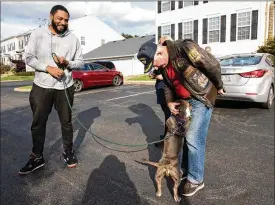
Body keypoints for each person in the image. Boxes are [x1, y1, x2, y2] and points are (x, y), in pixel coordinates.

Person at [137, 39, 225, 196]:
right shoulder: (163, 65)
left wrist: (219, 85)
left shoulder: (184, 49)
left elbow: (212, 65)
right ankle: (186, 168)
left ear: (159, 52)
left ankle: (196, 179)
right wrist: (170, 102)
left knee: (192, 137)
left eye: (154, 63)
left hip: (200, 97)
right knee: (187, 136)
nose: (155, 68)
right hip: (184, 102)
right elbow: (168, 86)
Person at [19, 5, 84, 175]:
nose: (63, 22)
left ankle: (68, 152)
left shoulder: (73, 39)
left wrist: (68, 63)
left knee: (67, 123)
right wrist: (47, 68)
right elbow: (29, 58)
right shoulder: (37, 34)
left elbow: (80, 62)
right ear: (51, 16)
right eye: (59, 19)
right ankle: (37, 157)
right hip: (42, 86)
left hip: (65, 87)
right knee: (38, 123)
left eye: (66, 20)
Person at [149, 36, 172, 148]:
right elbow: (157, 70)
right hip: (161, 89)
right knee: (167, 116)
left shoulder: (171, 56)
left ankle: (167, 141)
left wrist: (158, 76)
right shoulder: (161, 57)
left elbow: (171, 76)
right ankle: (165, 138)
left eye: (161, 43)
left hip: (167, 91)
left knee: (169, 117)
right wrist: (153, 74)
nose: (159, 46)